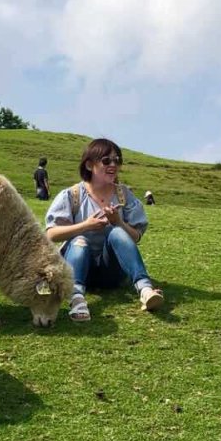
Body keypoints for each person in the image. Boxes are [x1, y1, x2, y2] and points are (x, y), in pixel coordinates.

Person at [45, 138, 164, 322]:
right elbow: (51, 234)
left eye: (117, 160)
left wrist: (118, 222)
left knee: (116, 232)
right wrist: (86, 226)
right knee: (80, 241)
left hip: (112, 273)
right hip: (77, 267)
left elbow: (136, 236)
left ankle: (145, 290)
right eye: (106, 160)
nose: (113, 165)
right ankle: (76, 298)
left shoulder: (124, 195)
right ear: (90, 164)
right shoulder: (72, 195)